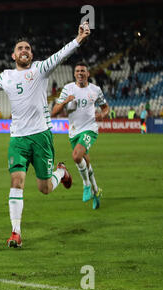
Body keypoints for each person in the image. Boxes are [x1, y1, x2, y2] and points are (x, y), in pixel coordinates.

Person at [0, 21, 91, 248]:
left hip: (41, 137)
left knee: (45, 189)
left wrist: (79, 39)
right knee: (16, 181)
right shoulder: (5, 77)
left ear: (31, 55)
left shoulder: (40, 69)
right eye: (20, 48)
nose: (25, 51)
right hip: (18, 139)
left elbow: (61, 55)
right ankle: (16, 232)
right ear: (13, 55)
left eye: (28, 49)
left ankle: (60, 173)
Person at [52, 61, 110, 210]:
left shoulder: (95, 90)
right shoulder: (68, 89)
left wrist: (103, 114)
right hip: (73, 132)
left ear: (88, 74)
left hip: (90, 129)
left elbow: (105, 108)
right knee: (85, 163)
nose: (80, 73)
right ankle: (96, 191)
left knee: (76, 156)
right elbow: (54, 111)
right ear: (74, 74)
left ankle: (86, 186)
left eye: (83, 71)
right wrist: (65, 101)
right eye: (77, 71)